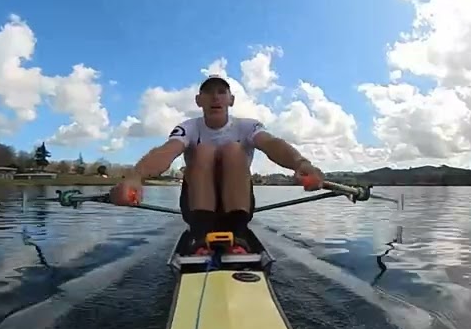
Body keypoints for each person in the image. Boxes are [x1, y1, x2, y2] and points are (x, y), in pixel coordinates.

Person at [110, 75, 324, 252]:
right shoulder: (188, 128)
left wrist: (300, 163)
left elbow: (271, 144)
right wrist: (135, 176)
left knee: (233, 149)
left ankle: (237, 235)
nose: (215, 97)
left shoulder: (248, 126)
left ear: (231, 100)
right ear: (198, 100)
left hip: (238, 204)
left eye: (221, 92)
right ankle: (201, 234)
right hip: (196, 206)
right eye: (208, 92)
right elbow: (167, 152)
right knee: (204, 150)